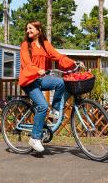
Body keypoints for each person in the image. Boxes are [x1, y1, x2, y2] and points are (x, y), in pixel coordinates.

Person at [19, 20, 83, 152]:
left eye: (30, 28)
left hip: (41, 79)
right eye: (27, 29)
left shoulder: (44, 44)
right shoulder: (26, 45)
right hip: (29, 81)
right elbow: (26, 62)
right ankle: (34, 138)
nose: (28, 31)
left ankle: (55, 109)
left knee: (60, 82)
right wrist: (37, 70)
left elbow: (57, 55)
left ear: (39, 30)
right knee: (42, 106)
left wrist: (73, 63)